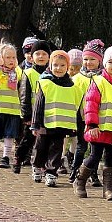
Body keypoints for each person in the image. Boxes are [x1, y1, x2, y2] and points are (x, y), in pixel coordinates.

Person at [74, 46, 112, 200]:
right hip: (98, 128)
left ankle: (108, 189)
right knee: (95, 156)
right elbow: (90, 103)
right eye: (110, 62)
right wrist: (91, 125)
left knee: (110, 158)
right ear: (104, 63)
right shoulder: (99, 81)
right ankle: (80, 180)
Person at [31, 50, 84, 187]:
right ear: (50, 65)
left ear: (68, 67)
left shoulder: (73, 87)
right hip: (45, 123)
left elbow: (76, 107)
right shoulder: (45, 83)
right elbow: (38, 105)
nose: (58, 68)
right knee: (41, 147)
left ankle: (51, 172)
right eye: (55, 65)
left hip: (61, 125)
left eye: (62, 65)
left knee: (56, 149)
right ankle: (37, 166)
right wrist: (35, 124)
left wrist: (75, 127)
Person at [69, 39, 105, 185]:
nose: (88, 62)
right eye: (86, 59)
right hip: (80, 117)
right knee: (81, 146)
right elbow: (72, 99)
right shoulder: (77, 79)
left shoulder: (102, 78)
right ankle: (75, 170)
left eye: (92, 59)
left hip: (97, 118)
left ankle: (93, 174)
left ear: (99, 61)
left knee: (94, 149)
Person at [14, 40, 51, 177]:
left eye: (44, 54)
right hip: (32, 116)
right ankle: (18, 158)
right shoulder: (28, 73)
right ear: (32, 56)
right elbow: (24, 95)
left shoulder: (52, 74)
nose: (41, 57)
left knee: (45, 142)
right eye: (37, 54)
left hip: (47, 114)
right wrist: (27, 116)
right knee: (27, 140)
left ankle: (42, 165)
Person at [59, 48, 85, 174]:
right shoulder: (64, 81)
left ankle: (71, 155)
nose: (74, 72)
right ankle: (60, 158)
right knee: (63, 138)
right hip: (66, 113)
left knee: (75, 138)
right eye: (71, 69)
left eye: (77, 69)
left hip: (78, 114)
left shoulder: (81, 79)